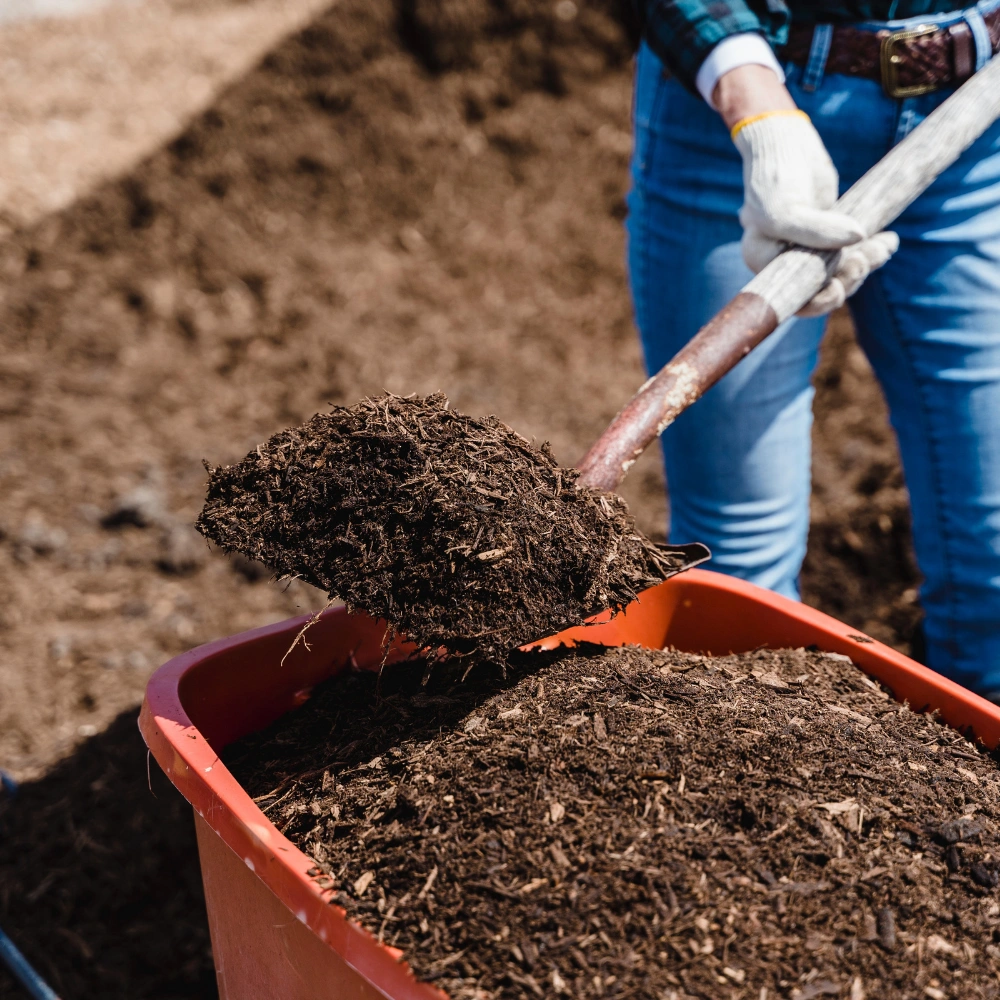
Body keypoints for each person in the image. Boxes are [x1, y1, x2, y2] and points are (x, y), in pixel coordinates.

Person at [627, 2, 1000, 696]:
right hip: (739, 115)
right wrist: (757, 113)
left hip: (974, 124)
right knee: (739, 573)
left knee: (996, 561)